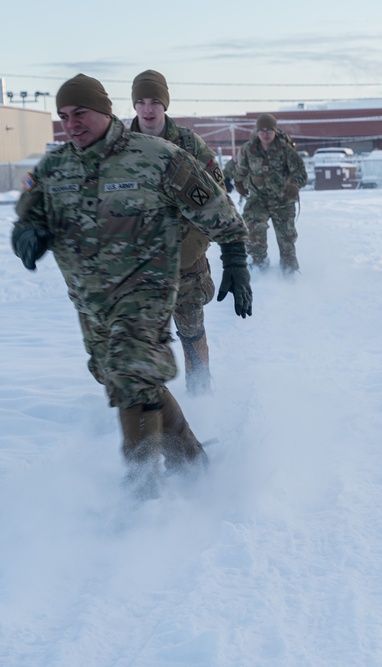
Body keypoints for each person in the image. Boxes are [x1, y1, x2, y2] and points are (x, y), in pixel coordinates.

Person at [10, 74, 252, 497]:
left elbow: (218, 209)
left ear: (104, 111)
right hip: (91, 303)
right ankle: (192, 462)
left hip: (148, 294)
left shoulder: (159, 157)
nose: (72, 123)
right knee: (137, 383)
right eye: (64, 116)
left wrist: (235, 261)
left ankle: (143, 491)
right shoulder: (55, 167)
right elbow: (28, 219)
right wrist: (28, 238)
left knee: (130, 376)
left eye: (80, 113)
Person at [131, 69, 228, 394]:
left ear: (165, 104)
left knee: (190, 331)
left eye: (155, 101)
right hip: (137, 264)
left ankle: (201, 399)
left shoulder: (189, 144)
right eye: (141, 101)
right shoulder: (119, 144)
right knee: (139, 339)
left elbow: (219, 200)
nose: (148, 109)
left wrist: (197, 242)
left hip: (185, 261)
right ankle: (149, 413)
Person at [233, 114, 308, 274]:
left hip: (283, 200)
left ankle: (289, 271)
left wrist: (295, 185)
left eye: (269, 130)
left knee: (286, 238)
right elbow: (241, 169)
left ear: (274, 131)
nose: (265, 134)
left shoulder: (285, 150)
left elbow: (300, 172)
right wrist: (238, 182)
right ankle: (259, 265)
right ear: (257, 132)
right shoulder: (248, 149)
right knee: (253, 230)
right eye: (261, 130)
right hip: (257, 199)